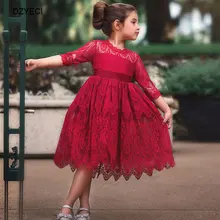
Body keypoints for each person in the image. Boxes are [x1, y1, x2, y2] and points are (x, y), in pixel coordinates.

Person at [23, 1, 175, 219]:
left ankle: (72, 205)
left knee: (90, 158)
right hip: (90, 108)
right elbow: (68, 58)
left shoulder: (133, 59)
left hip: (114, 115)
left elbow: (147, 85)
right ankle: (77, 206)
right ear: (117, 25)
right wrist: (38, 62)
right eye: (133, 22)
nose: (138, 27)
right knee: (88, 158)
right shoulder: (97, 47)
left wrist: (165, 108)